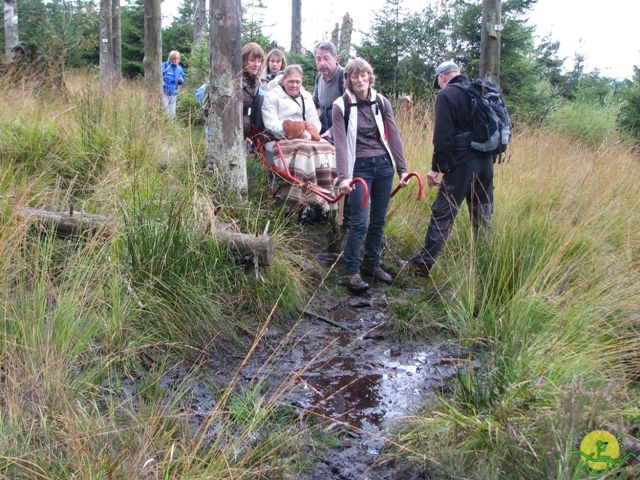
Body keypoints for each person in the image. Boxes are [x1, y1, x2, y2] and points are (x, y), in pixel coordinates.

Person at [409, 61, 495, 276]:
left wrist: (435, 168)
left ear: (442, 77)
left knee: (443, 213)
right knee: (482, 215)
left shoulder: (447, 95)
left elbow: (443, 138)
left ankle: (424, 264)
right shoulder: (481, 90)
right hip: (486, 162)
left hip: (461, 165)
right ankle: (485, 265)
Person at [333, 58, 410, 293]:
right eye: (354, 76)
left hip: (384, 167)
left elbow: (393, 135)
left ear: (369, 76)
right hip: (360, 168)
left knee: (378, 220)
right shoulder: (341, 105)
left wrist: (402, 169)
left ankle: (372, 264)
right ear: (348, 79)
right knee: (359, 221)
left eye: (363, 75)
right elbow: (340, 144)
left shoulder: (381, 102)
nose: (360, 80)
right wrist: (344, 176)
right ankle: (352, 271)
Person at [262, 64, 337, 220]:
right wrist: (291, 130)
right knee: (305, 151)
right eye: (291, 81)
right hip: (280, 138)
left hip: (305, 136)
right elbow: (270, 122)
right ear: (283, 81)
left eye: (297, 82)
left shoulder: (306, 96)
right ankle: (300, 201)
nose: (294, 85)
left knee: (328, 148)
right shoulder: (272, 95)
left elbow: (314, 122)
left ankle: (325, 198)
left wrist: (308, 133)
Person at [312, 42, 345, 135]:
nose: (322, 63)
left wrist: (332, 131)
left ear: (335, 58)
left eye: (326, 59)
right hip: (323, 126)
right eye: (318, 59)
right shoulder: (319, 76)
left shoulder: (345, 77)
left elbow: (352, 113)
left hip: (341, 130)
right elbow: (314, 102)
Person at [241, 42, 266, 142]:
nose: (256, 65)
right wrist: (243, 135)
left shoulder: (256, 82)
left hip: (250, 133)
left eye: (259, 61)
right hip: (235, 133)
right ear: (243, 61)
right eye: (252, 60)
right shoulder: (235, 82)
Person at [162, 50, 187, 119]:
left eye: (177, 59)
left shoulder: (179, 68)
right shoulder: (165, 66)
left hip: (174, 94)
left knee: (172, 114)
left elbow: (183, 78)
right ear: (170, 58)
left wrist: (181, 81)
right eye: (174, 58)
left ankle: (170, 128)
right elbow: (159, 75)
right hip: (164, 94)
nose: (175, 60)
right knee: (165, 113)